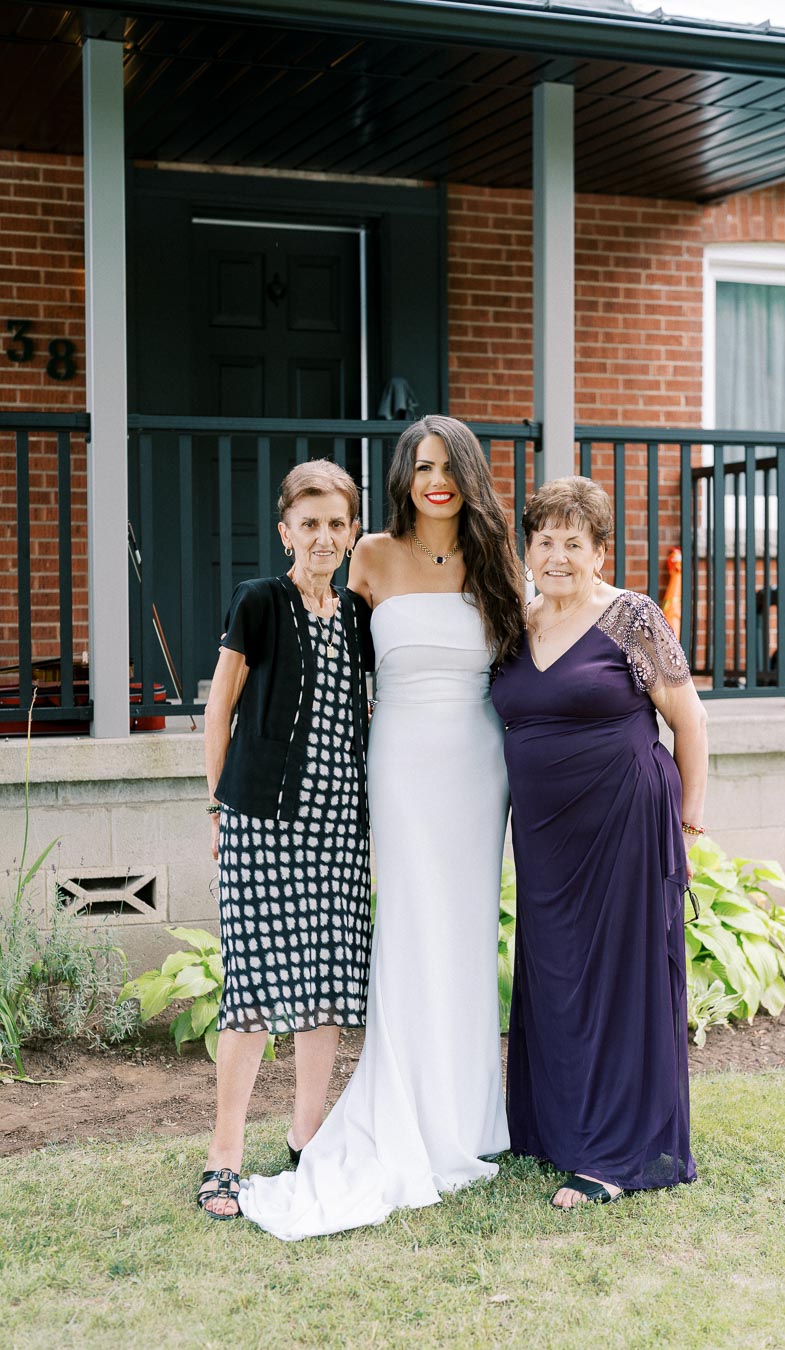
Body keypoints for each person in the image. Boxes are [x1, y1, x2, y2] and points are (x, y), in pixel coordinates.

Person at [239, 414, 523, 1238]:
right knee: (407, 932)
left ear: (468, 474)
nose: (435, 480)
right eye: (421, 466)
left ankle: (468, 1118)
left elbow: (545, 642)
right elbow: (316, 642)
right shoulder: (370, 555)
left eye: (449, 466)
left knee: (466, 934)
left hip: (478, 768)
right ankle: (403, 1108)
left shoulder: (498, 561)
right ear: (403, 477)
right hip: (397, 766)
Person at [490, 476, 708, 1209]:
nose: (556, 555)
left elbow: (689, 719)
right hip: (547, 836)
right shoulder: (514, 624)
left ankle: (616, 1155)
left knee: (621, 980)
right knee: (555, 975)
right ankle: (558, 1130)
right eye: (544, 540)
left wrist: (689, 816)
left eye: (572, 543)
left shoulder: (631, 616)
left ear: (599, 551)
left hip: (625, 820)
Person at [198, 459, 374, 1219]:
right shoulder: (259, 602)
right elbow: (220, 709)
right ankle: (224, 1156)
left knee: (326, 983)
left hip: (339, 825)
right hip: (261, 820)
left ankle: (308, 1138)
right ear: (286, 532)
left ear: (352, 530)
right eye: (310, 524)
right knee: (254, 988)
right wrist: (215, 807)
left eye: (337, 523)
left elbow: (363, 714)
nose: (324, 537)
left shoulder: (360, 615)